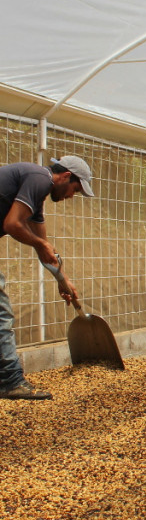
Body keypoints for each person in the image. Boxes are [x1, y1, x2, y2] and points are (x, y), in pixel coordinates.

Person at [0, 155, 94, 399]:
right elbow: (12, 224)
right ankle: (10, 382)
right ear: (65, 177)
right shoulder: (39, 178)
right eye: (75, 188)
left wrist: (63, 281)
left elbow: (47, 252)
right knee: (1, 314)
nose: (72, 196)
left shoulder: (36, 195)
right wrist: (40, 243)